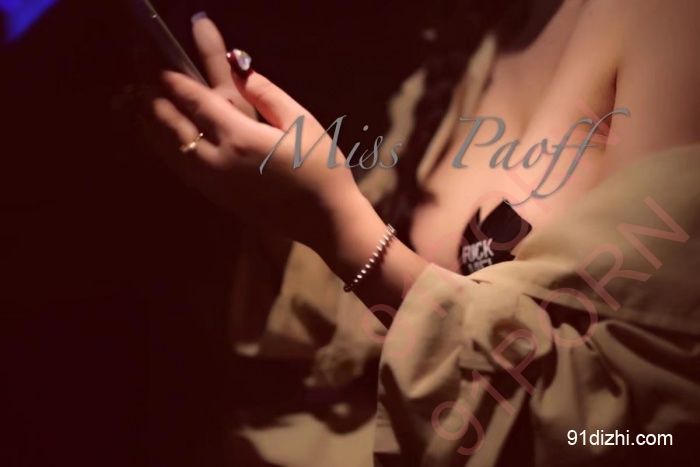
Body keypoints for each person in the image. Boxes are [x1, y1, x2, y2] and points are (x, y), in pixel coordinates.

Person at [139, 0, 700, 465]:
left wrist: (338, 225)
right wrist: (270, 193)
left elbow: (636, 437)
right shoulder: (498, 27)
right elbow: (376, 324)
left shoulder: (675, 24)